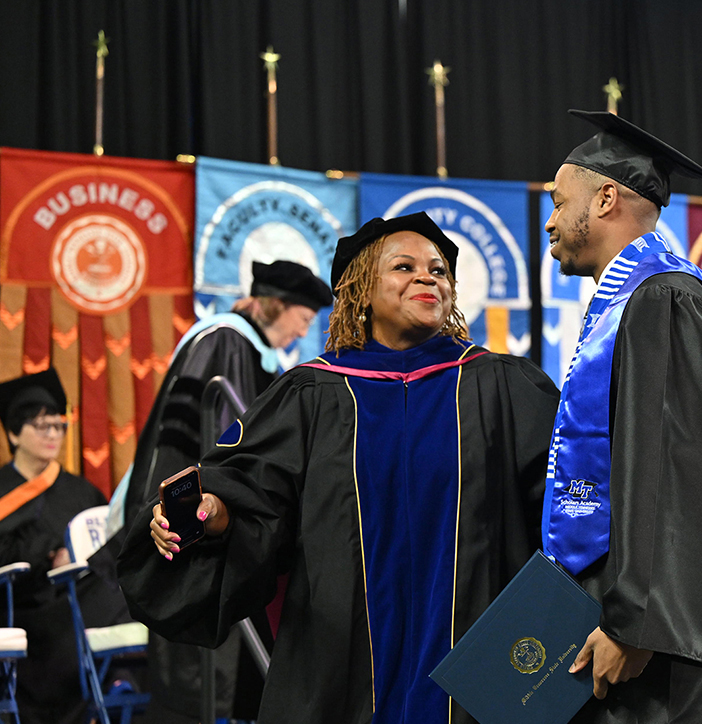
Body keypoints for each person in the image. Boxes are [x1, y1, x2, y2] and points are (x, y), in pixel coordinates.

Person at [117, 212, 560, 724]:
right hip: (339, 662)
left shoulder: (502, 387)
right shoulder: (311, 395)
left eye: (439, 271)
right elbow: (251, 495)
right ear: (361, 291)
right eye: (404, 266)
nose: (427, 277)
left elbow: (567, 510)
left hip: (472, 653)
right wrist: (214, 512)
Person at [543, 110, 702, 723]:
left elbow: (687, 481)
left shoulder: (664, 300)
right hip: (642, 617)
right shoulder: (638, 302)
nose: (549, 221)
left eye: (558, 201)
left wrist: (638, 626)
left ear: (605, 198)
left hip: (664, 637)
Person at [95, 258, 332, 723]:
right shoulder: (223, 343)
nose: (301, 335)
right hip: (194, 531)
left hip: (217, 529)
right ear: (273, 305)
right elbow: (212, 448)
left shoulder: (249, 349)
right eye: (302, 319)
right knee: (197, 677)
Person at [0, 368, 131, 724]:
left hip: (80, 593)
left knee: (122, 589)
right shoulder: (1, 489)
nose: (53, 434)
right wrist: (47, 553)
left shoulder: (80, 491)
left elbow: (106, 544)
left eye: (59, 426)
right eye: (42, 426)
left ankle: (124, 682)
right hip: (23, 605)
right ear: (14, 432)